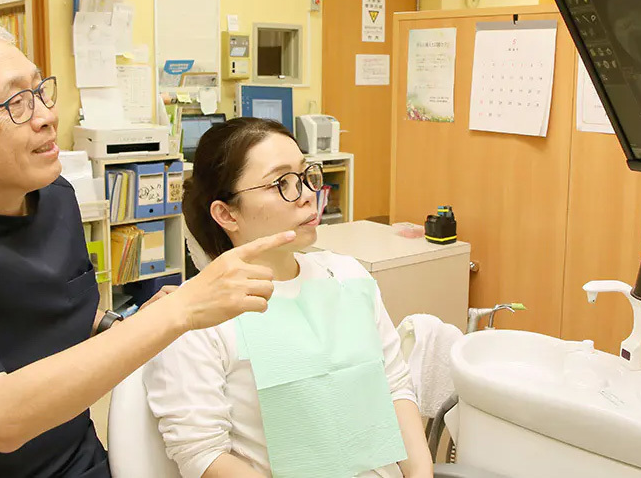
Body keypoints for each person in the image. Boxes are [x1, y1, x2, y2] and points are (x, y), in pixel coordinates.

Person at [0, 14, 296, 477]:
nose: (47, 116)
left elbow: (56, 311)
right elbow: (0, 418)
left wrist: (123, 322)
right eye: (16, 103)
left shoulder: (55, 197)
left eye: (40, 90)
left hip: (80, 464)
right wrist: (179, 312)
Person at [143, 117, 434, 478]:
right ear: (226, 213)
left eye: (305, 175)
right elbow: (202, 454)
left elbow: (394, 388)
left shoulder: (348, 276)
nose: (308, 194)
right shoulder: (194, 316)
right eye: (281, 183)